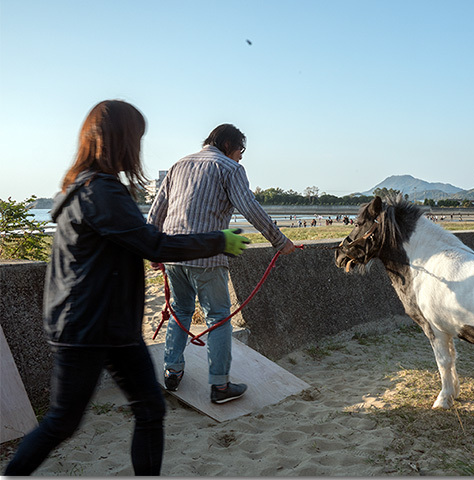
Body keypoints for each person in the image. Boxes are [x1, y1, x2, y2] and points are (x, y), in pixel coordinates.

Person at [4, 101, 250, 476]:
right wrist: (218, 240)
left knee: (150, 407)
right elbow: (154, 243)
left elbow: (144, 238)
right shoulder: (99, 191)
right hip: (86, 328)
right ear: (119, 141)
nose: (138, 148)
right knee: (62, 422)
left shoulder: (87, 186)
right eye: (136, 138)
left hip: (111, 325)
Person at [147, 123, 296, 404]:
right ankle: (220, 386)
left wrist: (153, 251)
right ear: (229, 145)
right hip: (208, 254)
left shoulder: (179, 164)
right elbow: (250, 207)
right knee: (218, 315)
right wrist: (280, 241)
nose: (241, 157)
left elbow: (157, 210)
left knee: (179, 310)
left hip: (173, 253)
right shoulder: (229, 168)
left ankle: (172, 371)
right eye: (240, 151)